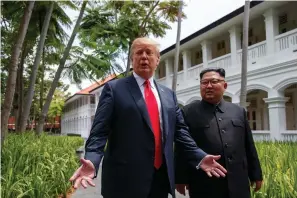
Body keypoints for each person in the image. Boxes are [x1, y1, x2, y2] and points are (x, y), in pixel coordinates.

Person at [69, 38, 227, 198]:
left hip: (159, 180)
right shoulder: (114, 89)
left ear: (157, 60)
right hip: (124, 182)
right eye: (139, 52)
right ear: (132, 60)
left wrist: (199, 156)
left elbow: (180, 132)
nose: (144, 56)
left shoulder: (168, 95)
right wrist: (92, 160)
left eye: (149, 52)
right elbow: (99, 132)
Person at [175, 68, 263, 198]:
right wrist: (181, 178)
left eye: (214, 81)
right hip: (204, 181)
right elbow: (182, 147)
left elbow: (249, 145)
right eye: (204, 83)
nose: (208, 86)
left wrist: (256, 174)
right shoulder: (188, 112)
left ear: (224, 85)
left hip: (238, 180)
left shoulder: (238, 111)